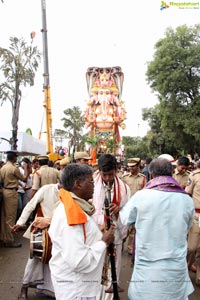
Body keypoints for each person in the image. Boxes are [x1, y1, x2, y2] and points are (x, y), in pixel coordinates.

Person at [120, 158, 194, 300]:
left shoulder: (141, 196)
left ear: (151, 174)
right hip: (175, 266)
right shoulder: (186, 199)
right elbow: (188, 225)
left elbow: (125, 219)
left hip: (147, 266)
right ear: (172, 173)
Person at [48, 163, 115, 300]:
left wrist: (97, 231)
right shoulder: (70, 214)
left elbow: (82, 237)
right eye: (90, 181)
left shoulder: (74, 207)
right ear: (78, 184)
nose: (94, 185)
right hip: (76, 289)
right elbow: (79, 262)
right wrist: (103, 242)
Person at [12, 183, 61, 299]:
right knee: (34, 260)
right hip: (42, 230)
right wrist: (20, 222)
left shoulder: (70, 192)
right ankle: (24, 287)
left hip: (59, 230)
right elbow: (31, 205)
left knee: (56, 260)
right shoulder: (46, 189)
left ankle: (49, 289)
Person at [92, 154, 130, 299]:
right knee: (97, 267)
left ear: (116, 170)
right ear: (99, 171)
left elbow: (129, 211)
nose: (107, 178)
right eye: (104, 175)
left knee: (114, 267)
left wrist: (120, 208)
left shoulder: (124, 188)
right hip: (96, 233)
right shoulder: (91, 185)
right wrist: (100, 221)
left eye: (110, 174)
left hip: (116, 234)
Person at [0, 150, 30, 248]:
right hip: (12, 193)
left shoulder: (3, 168)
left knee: (4, 216)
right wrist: (25, 168)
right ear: (13, 158)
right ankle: (9, 240)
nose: (16, 159)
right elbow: (24, 178)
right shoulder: (13, 168)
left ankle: (4, 237)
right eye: (16, 157)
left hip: (5, 191)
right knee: (10, 217)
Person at [121, 158, 146, 257]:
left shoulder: (143, 178)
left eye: (133, 166)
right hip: (126, 206)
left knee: (133, 229)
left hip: (137, 207)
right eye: (129, 166)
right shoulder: (125, 177)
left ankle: (131, 248)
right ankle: (120, 244)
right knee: (124, 227)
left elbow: (145, 193)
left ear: (138, 166)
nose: (131, 168)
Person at [185, 159, 200, 285]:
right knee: (192, 247)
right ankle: (183, 267)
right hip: (197, 215)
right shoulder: (194, 176)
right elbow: (187, 193)